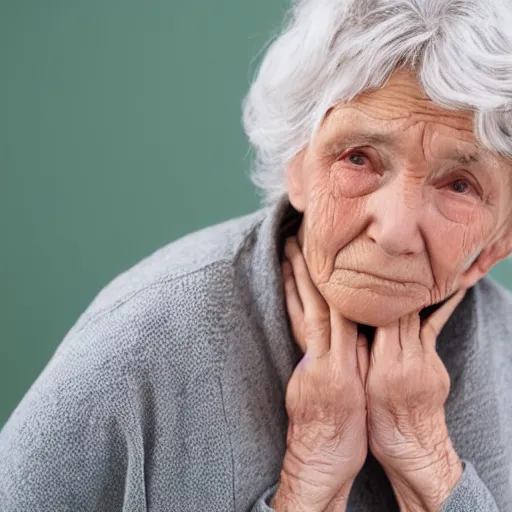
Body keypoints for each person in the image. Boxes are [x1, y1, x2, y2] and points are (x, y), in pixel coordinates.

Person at [2, 0, 512, 510]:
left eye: (460, 185)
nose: (395, 231)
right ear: (298, 166)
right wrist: (304, 486)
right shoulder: (139, 345)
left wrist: (430, 464)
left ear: (500, 240)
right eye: (359, 158)